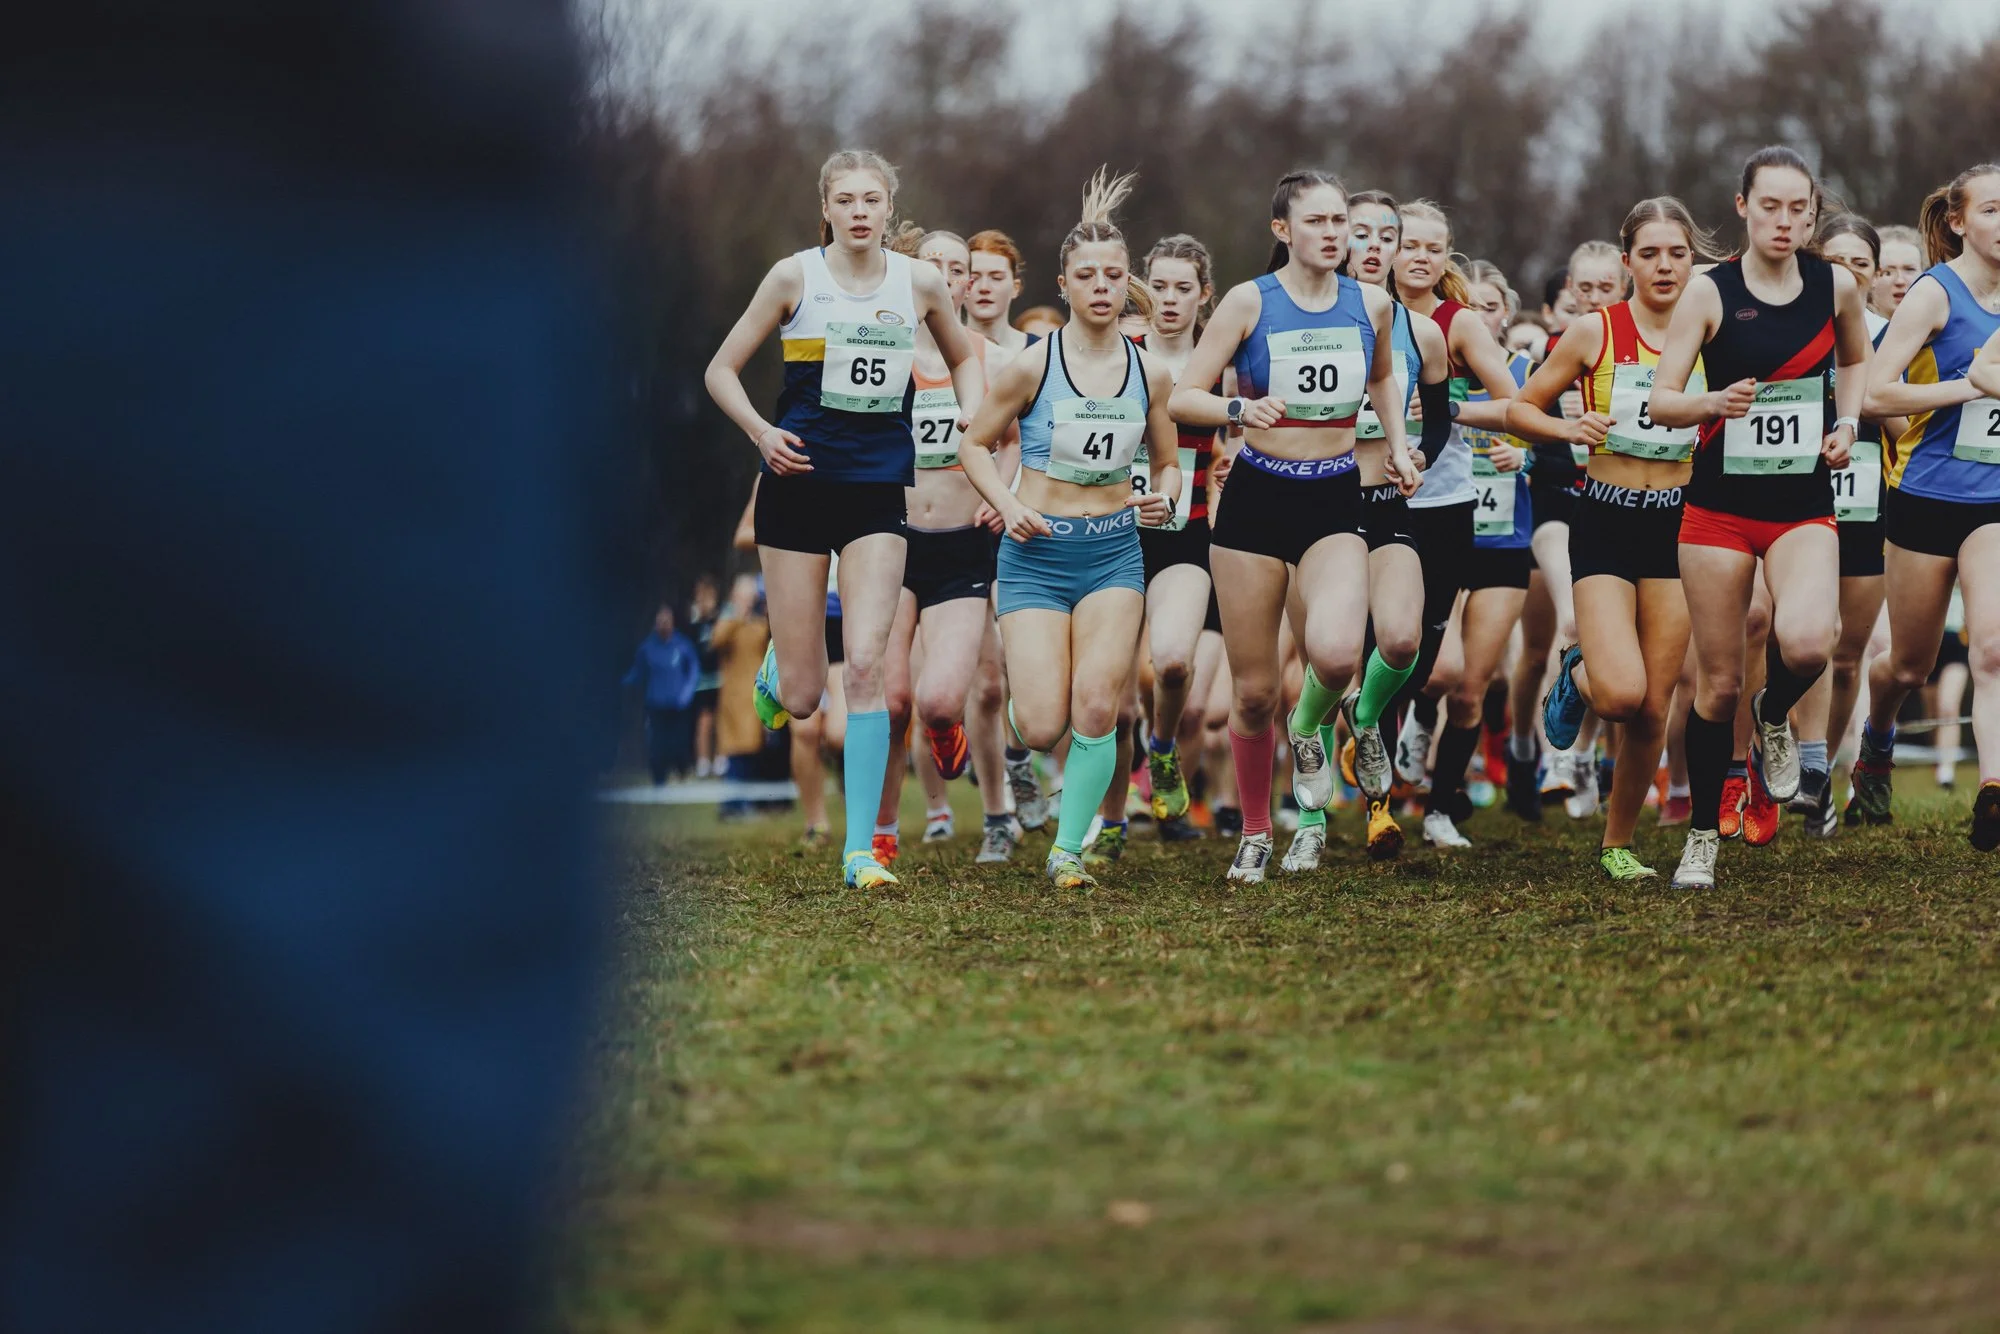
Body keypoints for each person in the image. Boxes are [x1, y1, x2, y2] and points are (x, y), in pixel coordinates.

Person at [703, 148, 985, 890]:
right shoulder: (794, 276)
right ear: (824, 207)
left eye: (872, 199)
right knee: (803, 697)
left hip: (875, 493)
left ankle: (861, 849)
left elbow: (965, 360)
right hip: (796, 487)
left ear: (890, 208)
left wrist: (973, 424)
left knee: (864, 667)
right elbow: (720, 370)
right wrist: (763, 434)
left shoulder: (919, 282)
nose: (860, 211)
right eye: (846, 199)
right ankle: (781, 662)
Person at [1170, 170, 1422, 881]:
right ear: (1282, 230)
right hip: (1256, 501)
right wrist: (1236, 412)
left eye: (1340, 220)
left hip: (1334, 497)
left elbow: (1381, 380)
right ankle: (1254, 831)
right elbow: (1185, 396)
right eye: (1317, 221)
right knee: (1251, 692)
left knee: (1338, 655)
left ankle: (1308, 725)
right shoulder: (1251, 303)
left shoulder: (1370, 304)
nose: (1334, 233)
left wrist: (1398, 446)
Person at [1648, 146, 1874, 889]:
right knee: (1715, 685)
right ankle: (1705, 836)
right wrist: (1712, 404)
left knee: (1809, 643)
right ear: (1743, 207)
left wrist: (1845, 423)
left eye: (1798, 207)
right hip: (1718, 511)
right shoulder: (1709, 293)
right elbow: (1662, 399)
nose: (1785, 220)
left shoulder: (1833, 285)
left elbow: (1854, 360)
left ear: (1814, 212)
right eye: (1770, 206)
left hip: (1802, 503)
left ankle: (1773, 715)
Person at [957, 168, 1180, 890]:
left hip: (1115, 550)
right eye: (1087, 275)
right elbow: (972, 446)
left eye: (1114, 275)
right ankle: (1019, 753)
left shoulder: (1150, 375)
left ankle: (1068, 850)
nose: (1102, 286)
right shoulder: (1030, 366)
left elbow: (1170, 464)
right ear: (1063, 283)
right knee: (1045, 719)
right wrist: (1007, 501)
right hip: (1036, 552)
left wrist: (1167, 498)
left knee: (1099, 705)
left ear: (1127, 283)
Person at [1512, 197, 1713, 878]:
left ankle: (1617, 843)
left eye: (1677, 253)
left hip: (1680, 526)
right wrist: (1565, 429)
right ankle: (1575, 671)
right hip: (1604, 519)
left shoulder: (1714, 335)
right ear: (1626, 262)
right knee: (1621, 694)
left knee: (1655, 707)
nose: (1664, 266)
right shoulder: (1595, 333)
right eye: (1649, 253)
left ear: (1695, 259)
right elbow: (1521, 407)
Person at [1292, 188, 1451, 869]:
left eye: (1390, 234)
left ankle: (1365, 726)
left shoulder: (1422, 331)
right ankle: (1308, 820)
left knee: (1403, 639)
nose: (1377, 246)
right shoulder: (1303, 319)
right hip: (1317, 509)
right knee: (1323, 660)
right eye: (1363, 232)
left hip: (1388, 506)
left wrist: (1415, 454)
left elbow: (1439, 418)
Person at [1857, 164, 2000, 848]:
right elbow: (1874, 396)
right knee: (1907, 666)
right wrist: (1968, 390)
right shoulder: (1932, 295)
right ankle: (1878, 739)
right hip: (1924, 495)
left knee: (1994, 648)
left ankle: (1992, 792)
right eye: (1993, 210)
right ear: (1959, 222)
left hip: (1993, 503)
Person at [871, 227, 1021, 865]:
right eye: (929, 263)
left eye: (955, 267)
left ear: (965, 283)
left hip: (962, 546)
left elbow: (1013, 440)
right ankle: (879, 832)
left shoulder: (990, 361)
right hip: (892, 545)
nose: (943, 274)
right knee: (889, 699)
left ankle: (949, 736)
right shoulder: (884, 355)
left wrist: (1002, 491)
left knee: (938, 702)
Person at [1385, 199, 1523, 851]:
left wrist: (1450, 408)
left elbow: (1513, 404)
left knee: (1450, 674)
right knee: (1387, 652)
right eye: (1409, 243)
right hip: (1375, 502)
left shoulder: (1457, 322)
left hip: (1445, 501)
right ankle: (1377, 802)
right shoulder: (1357, 313)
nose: (1420, 256)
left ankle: (1439, 807)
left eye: (1434, 247)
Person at [1794, 214, 1905, 834]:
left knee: (1845, 658)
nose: (1848, 272)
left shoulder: (1896, 338)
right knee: (1796, 645)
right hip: (1796, 505)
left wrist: (1873, 399)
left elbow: (1907, 432)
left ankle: (1821, 781)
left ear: (1874, 271)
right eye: (1835, 260)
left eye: (1859, 262)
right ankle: (1775, 755)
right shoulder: (1792, 327)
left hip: (1868, 510)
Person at [1418, 259, 1533, 845]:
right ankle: (1414, 724)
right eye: (1472, 306)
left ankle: (1441, 806)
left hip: (1506, 544)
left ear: (1505, 315)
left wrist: (1528, 460)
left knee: (1471, 688)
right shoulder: (1433, 358)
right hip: (1451, 527)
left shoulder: (1522, 371)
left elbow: (1557, 443)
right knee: (1438, 671)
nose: (1479, 318)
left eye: (1491, 308)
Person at [1133, 233, 1231, 846]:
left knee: (1174, 671)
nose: (1170, 300)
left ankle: (1163, 751)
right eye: (1160, 287)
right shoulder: (1118, 352)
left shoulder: (1220, 365)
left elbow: (1250, 438)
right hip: (1114, 535)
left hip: (1190, 536)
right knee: (1113, 702)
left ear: (1205, 296)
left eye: (1183, 289)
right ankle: (1113, 820)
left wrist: (1232, 468)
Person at [624, 603, 702, 784]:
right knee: (657, 744)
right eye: (660, 621)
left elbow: (693, 670)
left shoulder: (682, 645)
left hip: (678, 704)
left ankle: (682, 773)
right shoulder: (647, 648)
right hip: (656, 704)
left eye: (667, 620)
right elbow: (638, 672)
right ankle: (659, 778)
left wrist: (686, 693)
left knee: (679, 743)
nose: (664, 624)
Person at [687, 574, 725, 778]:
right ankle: (703, 761)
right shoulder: (693, 623)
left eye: (708, 595)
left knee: (720, 719)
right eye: (701, 595)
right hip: (701, 680)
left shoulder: (720, 619)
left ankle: (720, 759)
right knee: (704, 720)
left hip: (720, 677)